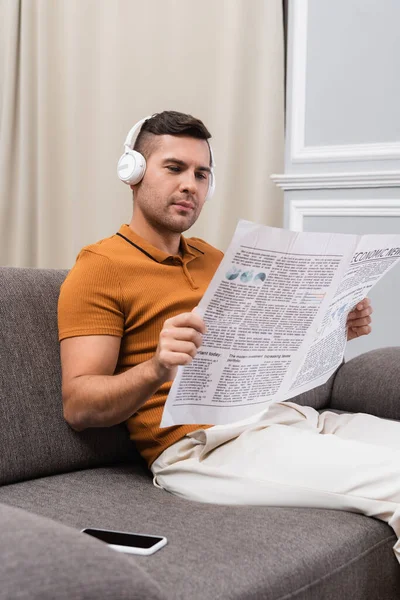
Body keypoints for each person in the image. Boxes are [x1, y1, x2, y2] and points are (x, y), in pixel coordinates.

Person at [58, 111, 400, 564]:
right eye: (174, 168)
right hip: (203, 448)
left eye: (202, 174)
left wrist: (333, 325)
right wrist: (157, 366)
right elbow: (79, 405)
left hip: (281, 416)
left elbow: (264, 344)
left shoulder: (215, 258)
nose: (190, 185)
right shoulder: (99, 267)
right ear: (133, 173)